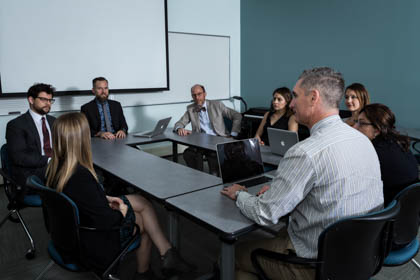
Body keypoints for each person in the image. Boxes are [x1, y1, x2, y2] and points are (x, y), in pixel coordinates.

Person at [221, 67, 383, 280]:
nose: (291, 103)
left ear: (313, 97)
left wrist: (239, 194)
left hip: (317, 263)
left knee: (232, 257)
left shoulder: (306, 152)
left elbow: (266, 214)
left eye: (295, 96)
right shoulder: (362, 139)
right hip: (360, 254)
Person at [45, 112, 193, 280]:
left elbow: (81, 199)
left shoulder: (56, 169)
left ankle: (166, 255)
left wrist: (105, 198)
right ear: (80, 139)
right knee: (144, 221)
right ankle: (149, 269)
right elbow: (108, 221)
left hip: (67, 234)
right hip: (93, 239)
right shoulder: (80, 176)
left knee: (142, 201)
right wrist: (121, 210)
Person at [355, 103, 418, 205]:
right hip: (409, 209)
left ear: (377, 129)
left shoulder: (375, 152)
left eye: (361, 123)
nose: (355, 127)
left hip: (388, 209)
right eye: (356, 122)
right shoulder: (396, 142)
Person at [174, 84, 242, 175]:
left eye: (199, 94)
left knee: (213, 158)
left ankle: (214, 177)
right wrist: (179, 128)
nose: (197, 97)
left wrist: (233, 134)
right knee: (188, 154)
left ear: (205, 94)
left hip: (217, 139)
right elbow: (179, 123)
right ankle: (198, 177)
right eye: (194, 95)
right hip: (200, 141)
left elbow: (237, 115)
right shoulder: (191, 108)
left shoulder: (217, 105)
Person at [5, 83, 56, 198]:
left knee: (80, 172)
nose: (48, 103)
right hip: (31, 172)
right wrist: (50, 160)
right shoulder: (16, 125)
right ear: (31, 100)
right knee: (70, 177)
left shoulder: (54, 121)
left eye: (50, 100)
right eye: (43, 99)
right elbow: (19, 157)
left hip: (53, 166)